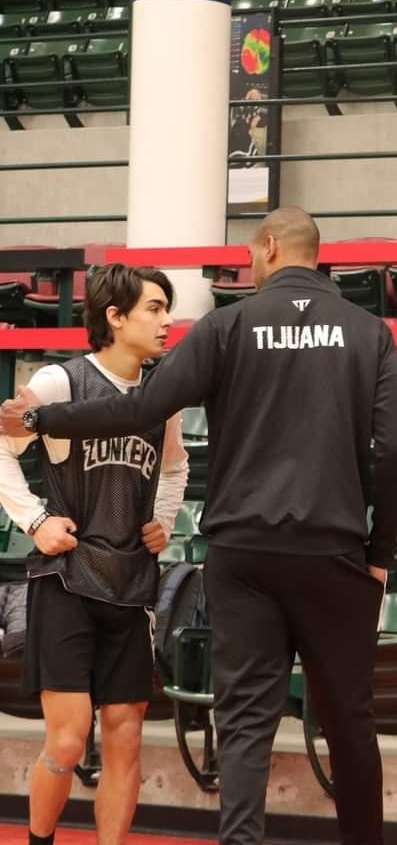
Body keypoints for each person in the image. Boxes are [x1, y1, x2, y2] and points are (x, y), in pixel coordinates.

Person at [0, 208, 397, 845]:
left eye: (251, 253)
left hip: (242, 552)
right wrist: (380, 549)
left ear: (270, 246)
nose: (247, 264)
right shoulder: (368, 332)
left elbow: (144, 408)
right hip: (332, 550)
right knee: (350, 723)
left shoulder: (228, 325)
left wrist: (41, 422)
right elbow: (395, 450)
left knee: (245, 721)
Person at [0, 263, 188, 845]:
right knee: (67, 736)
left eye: (166, 308)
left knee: (127, 734)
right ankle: (39, 840)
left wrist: (162, 518)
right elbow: (3, 449)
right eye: (154, 308)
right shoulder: (62, 382)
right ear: (115, 316)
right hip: (66, 578)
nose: (166, 321)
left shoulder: (163, 397)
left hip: (131, 584)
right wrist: (34, 519)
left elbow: (176, 467)